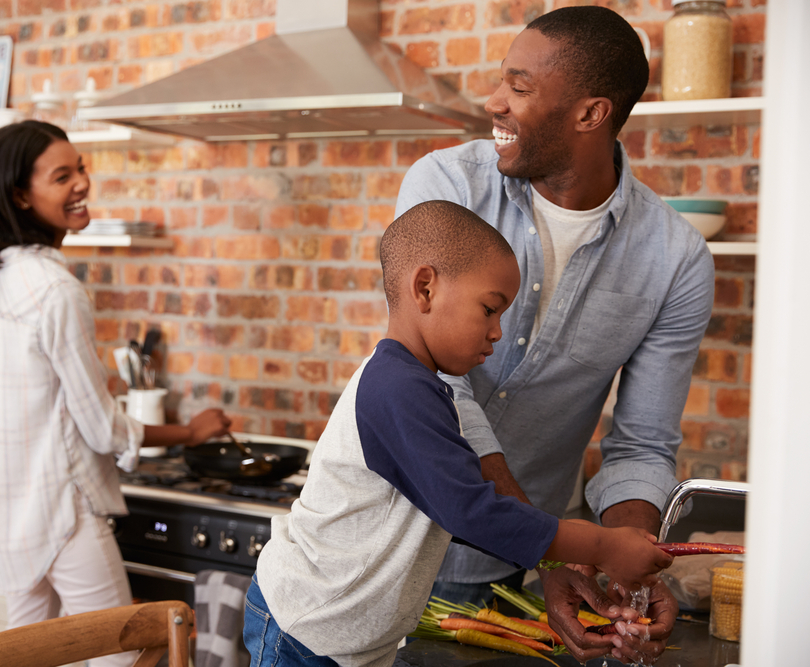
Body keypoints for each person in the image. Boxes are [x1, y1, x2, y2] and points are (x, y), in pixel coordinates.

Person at [394, 6, 715, 664]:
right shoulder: (446, 188)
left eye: (518, 86)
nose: (493, 101)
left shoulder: (675, 258)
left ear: (590, 113)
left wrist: (626, 571)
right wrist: (548, 544)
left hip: (521, 579)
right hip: (392, 555)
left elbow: (641, 444)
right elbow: (436, 386)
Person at [243, 200, 673, 667]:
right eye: (490, 309)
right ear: (425, 288)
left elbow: (461, 503)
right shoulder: (397, 389)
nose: (497, 332)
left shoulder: (421, 387)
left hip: (346, 638)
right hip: (304, 631)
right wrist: (604, 546)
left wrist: (554, 561)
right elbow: (471, 512)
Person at [0, 120, 231, 667]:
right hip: (61, 513)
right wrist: (190, 431)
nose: (82, 183)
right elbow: (102, 428)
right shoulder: (57, 290)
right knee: (128, 655)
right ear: (20, 195)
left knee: (24, 658)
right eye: (63, 176)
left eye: (81, 167)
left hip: (4, 515)